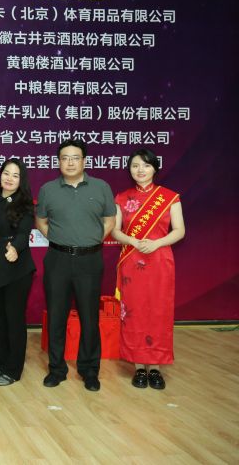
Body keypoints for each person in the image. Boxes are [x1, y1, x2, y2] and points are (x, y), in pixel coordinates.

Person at [36, 139, 116, 392]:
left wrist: (92, 240)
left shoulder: (101, 187)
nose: (70, 163)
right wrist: (58, 240)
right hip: (58, 259)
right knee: (56, 316)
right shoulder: (48, 189)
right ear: (58, 162)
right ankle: (56, 369)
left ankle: (89, 370)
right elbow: (41, 221)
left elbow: (110, 220)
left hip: (89, 260)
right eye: (64, 158)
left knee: (89, 317)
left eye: (75, 158)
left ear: (84, 161)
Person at [111, 148, 185, 390]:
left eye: (145, 165)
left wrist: (157, 243)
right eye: (135, 166)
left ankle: (155, 368)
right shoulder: (122, 198)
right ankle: (139, 368)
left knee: (158, 312)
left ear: (154, 168)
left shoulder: (170, 197)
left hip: (160, 261)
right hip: (132, 260)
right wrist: (132, 241)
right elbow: (115, 231)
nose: (140, 170)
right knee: (134, 312)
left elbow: (179, 231)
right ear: (129, 170)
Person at [0, 159, 36, 386]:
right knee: (1, 320)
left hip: (17, 269)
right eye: (6, 173)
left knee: (14, 320)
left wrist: (15, 248)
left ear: (21, 180)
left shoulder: (25, 204)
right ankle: (2, 365)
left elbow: (24, 233)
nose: (9, 178)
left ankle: (13, 370)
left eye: (15, 175)